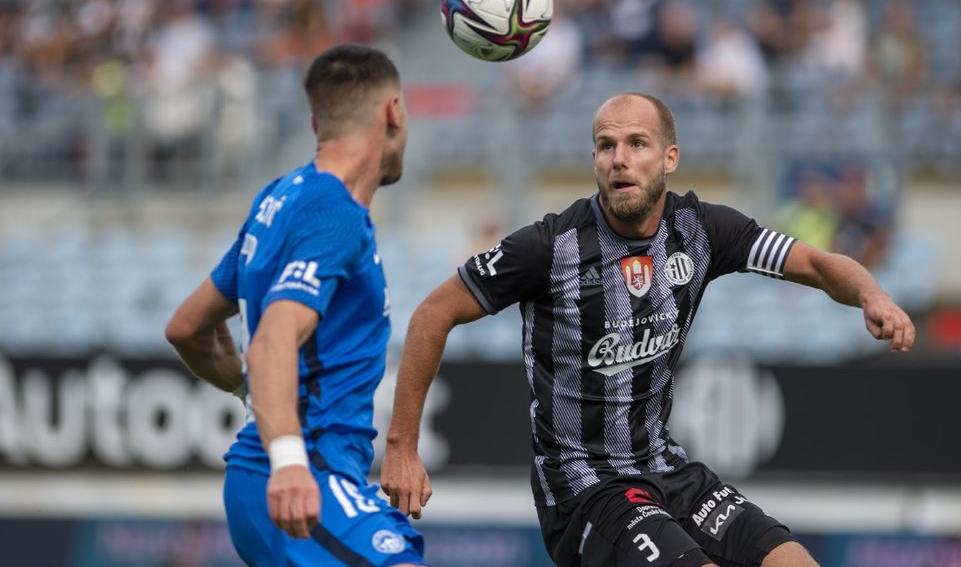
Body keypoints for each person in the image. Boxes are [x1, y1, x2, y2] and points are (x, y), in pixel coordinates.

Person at [381, 92, 915, 567]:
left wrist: (874, 294)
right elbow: (433, 312)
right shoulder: (549, 247)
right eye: (606, 146)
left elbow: (819, 265)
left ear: (669, 158)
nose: (620, 159)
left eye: (637, 144)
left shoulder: (703, 229)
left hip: (667, 470)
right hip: (584, 488)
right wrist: (402, 446)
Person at [165, 44, 427, 567]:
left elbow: (188, 327)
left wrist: (256, 392)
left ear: (314, 122)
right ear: (393, 112)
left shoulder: (279, 197)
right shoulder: (336, 217)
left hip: (265, 477)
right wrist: (287, 460)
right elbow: (272, 340)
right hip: (303, 476)